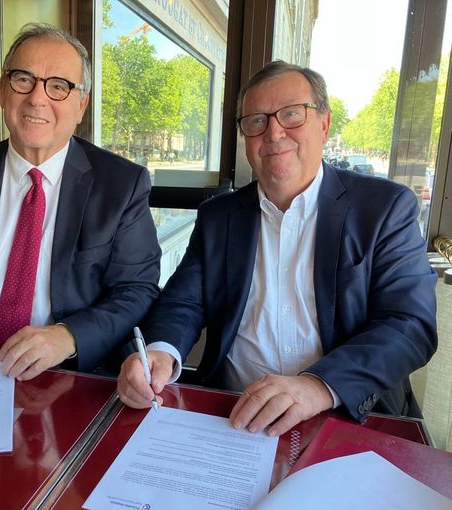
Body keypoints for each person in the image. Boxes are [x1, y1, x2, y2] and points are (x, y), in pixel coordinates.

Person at [117, 60, 437, 436]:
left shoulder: (383, 208)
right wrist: (160, 352)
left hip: (346, 418)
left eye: (291, 114)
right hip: (233, 417)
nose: (273, 132)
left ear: (324, 124)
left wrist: (318, 385)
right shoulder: (218, 217)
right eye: (256, 121)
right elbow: (183, 303)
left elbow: (409, 324)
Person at [0, 23, 161, 381]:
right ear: (3, 91)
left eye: (59, 86)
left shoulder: (121, 185)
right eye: (23, 79)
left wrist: (68, 336)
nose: (37, 99)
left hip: (62, 376)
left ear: (81, 105)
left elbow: (136, 290)